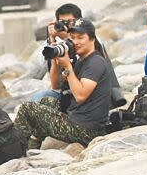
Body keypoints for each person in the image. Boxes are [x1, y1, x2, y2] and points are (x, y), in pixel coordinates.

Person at [15, 19, 112, 147]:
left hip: (86, 130)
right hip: (79, 119)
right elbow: (56, 86)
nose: (76, 42)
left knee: (27, 109)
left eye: (81, 38)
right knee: (46, 101)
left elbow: (81, 96)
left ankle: (14, 148)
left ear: (92, 39)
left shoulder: (95, 63)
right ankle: (32, 145)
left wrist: (67, 66)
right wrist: (56, 60)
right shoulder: (83, 60)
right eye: (73, 38)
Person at [31, 3, 82, 102]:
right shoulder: (58, 44)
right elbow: (55, 85)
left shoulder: (86, 41)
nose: (66, 27)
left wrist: (70, 37)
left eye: (70, 22)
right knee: (39, 97)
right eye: (62, 23)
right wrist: (52, 39)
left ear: (79, 22)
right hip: (66, 92)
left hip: (83, 91)